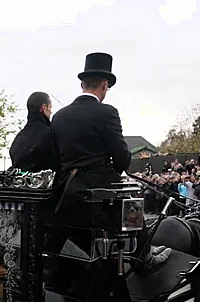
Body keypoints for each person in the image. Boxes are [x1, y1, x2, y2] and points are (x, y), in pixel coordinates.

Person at [47, 52, 170, 270]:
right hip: (98, 188)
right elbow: (122, 158)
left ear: (82, 84)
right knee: (132, 195)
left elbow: (57, 158)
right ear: (104, 85)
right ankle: (144, 256)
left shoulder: (59, 116)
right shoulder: (107, 112)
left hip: (66, 189)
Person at [9, 91, 57, 172]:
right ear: (44, 107)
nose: (51, 111)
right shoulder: (50, 134)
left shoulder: (19, 137)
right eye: (50, 107)